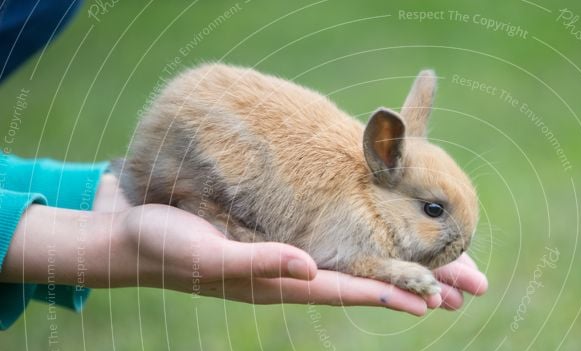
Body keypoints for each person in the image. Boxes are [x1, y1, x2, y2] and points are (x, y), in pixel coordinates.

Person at [0, 0, 487, 330]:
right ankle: (203, 208)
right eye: (433, 212)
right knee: (231, 154)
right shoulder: (360, 203)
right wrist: (395, 271)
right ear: (385, 158)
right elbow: (342, 256)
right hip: (185, 140)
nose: (453, 238)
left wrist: (78, 206)